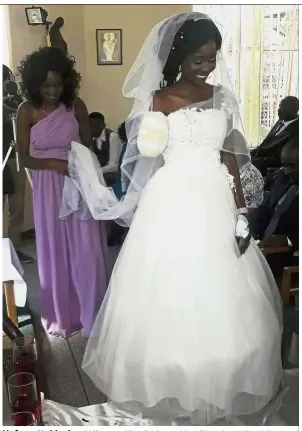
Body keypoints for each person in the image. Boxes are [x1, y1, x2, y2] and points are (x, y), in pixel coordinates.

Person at [61, 13, 282, 425]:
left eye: (212, 58)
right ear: (180, 56)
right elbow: (148, 156)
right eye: (199, 59)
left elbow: (231, 157)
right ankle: (171, 381)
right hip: (171, 200)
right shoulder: (158, 101)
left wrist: (240, 210)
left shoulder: (223, 98)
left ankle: (220, 379)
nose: (206, 67)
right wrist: (148, 129)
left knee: (224, 295)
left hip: (215, 197)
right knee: (168, 288)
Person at [17, 47, 108, 338]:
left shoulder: (76, 105)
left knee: (86, 248)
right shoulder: (26, 110)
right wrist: (55, 163)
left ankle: (91, 312)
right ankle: (63, 316)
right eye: (46, 85)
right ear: (35, 85)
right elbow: (24, 158)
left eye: (57, 84)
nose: (53, 91)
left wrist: (88, 177)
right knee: (54, 248)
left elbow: (89, 149)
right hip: (47, 184)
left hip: (77, 180)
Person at [250, 138, 299, 278]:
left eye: (293, 166)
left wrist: (286, 240)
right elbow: (265, 207)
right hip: (262, 245)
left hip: (287, 255)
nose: (287, 171)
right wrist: (252, 229)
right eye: (284, 165)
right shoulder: (283, 177)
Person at [3, 65, 34, 264]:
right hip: (4, 159)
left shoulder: (16, 106)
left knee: (17, 209)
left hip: (14, 159)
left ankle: (13, 251)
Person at [251, 96, 299, 176]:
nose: (278, 109)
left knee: (245, 164)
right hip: (261, 155)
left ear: (293, 109)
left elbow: (281, 157)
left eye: (282, 106)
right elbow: (267, 142)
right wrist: (252, 153)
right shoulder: (280, 121)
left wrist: (256, 159)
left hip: (272, 164)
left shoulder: (296, 130)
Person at [89, 112, 123, 186]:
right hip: (97, 172)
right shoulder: (88, 138)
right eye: (90, 125)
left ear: (103, 125)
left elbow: (113, 166)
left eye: (96, 125)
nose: (93, 128)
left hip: (112, 173)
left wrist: (95, 172)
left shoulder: (112, 137)